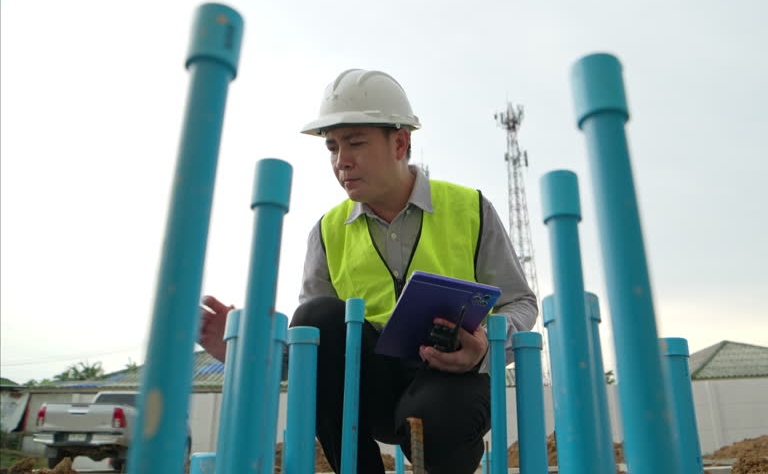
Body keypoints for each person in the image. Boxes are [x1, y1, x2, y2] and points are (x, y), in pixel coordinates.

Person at [199, 68, 537, 474]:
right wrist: (248, 355)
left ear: (400, 142)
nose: (342, 162)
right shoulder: (326, 232)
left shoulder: (470, 209)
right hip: (370, 387)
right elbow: (316, 354)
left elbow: (520, 303)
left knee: (435, 418)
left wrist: (483, 349)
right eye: (332, 148)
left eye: (355, 143)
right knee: (314, 316)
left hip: (453, 381)